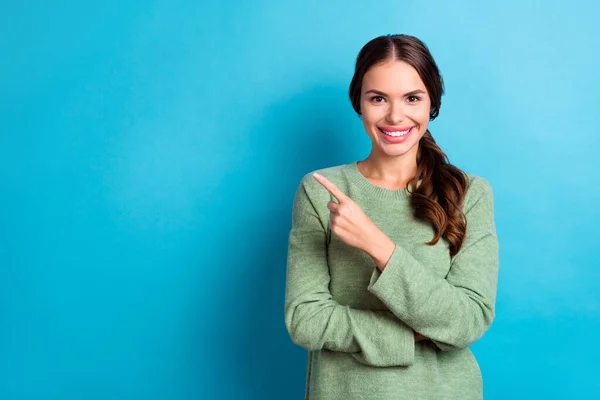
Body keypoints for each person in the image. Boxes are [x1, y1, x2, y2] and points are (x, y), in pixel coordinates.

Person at [284, 34, 499, 400]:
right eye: (378, 98)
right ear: (359, 104)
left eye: (412, 98)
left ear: (432, 103)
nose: (395, 115)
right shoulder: (321, 190)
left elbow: (467, 321)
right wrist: (410, 334)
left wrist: (376, 244)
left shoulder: (470, 193)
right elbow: (305, 319)